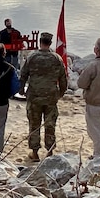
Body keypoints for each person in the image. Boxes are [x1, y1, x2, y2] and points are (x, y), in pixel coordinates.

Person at [19, 31, 68, 161]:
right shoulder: (57, 58)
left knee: (34, 124)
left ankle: (35, 153)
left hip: (34, 96)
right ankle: (50, 152)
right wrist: (61, 92)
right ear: (50, 43)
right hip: (51, 97)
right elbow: (63, 78)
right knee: (50, 124)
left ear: (40, 42)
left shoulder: (32, 57)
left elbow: (23, 74)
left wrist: (21, 90)